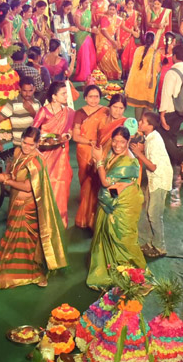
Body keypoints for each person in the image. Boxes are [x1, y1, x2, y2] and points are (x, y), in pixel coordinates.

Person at [0, 127, 68, 290]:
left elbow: (28, 187)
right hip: (15, 202)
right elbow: (12, 174)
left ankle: (35, 274)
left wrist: (5, 181)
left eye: (31, 144)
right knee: (12, 237)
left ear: (37, 144)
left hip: (28, 207)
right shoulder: (17, 152)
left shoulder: (37, 161)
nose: (26, 147)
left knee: (25, 240)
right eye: (24, 142)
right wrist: (3, 177)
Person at [86, 127, 146, 289]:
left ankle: (134, 272)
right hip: (116, 196)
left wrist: (99, 160)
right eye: (115, 141)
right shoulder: (114, 153)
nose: (117, 145)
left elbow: (105, 181)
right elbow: (108, 181)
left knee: (122, 235)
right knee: (107, 227)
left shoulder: (128, 161)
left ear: (128, 142)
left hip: (126, 203)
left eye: (122, 142)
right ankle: (109, 266)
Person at [32, 81, 76, 226]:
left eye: (66, 93)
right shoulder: (44, 111)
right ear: (54, 97)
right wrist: (40, 141)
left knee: (63, 183)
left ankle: (60, 219)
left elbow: (70, 131)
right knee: (47, 184)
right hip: (46, 154)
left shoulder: (69, 112)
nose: (66, 96)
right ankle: (45, 219)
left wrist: (67, 137)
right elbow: (33, 131)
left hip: (62, 153)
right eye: (63, 94)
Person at [132, 111, 174, 258]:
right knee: (150, 212)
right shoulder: (150, 137)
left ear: (150, 125)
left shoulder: (154, 141)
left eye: (143, 121)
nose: (139, 123)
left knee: (154, 215)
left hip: (159, 180)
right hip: (154, 180)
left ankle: (160, 247)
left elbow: (153, 167)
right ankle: (151, 243)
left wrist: (139, 153)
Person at [72, 84, 110, 229]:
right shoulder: (80, 113)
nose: (93, 100)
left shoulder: (105, 111)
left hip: (100, 149)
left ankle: (92, 216)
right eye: (90, 96)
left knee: (96, 182)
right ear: (85, 97)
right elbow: (75, 136)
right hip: (84, 149)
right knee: (85, 179)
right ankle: (85, 214)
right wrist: (90, 141)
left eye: (96, 96)